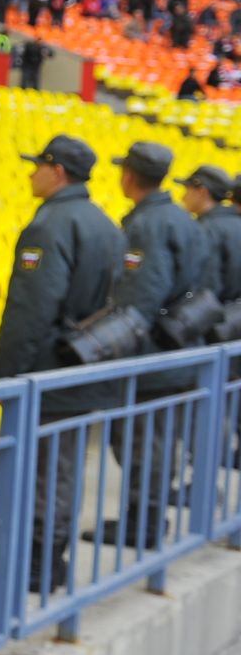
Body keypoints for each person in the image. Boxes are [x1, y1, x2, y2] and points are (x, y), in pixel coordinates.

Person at [0, 136, 122, 590]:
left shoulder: (50, 225)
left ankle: (34, 567)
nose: (31, 174)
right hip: (84, 363)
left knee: (40, 472)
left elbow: (31, 310)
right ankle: (50, 562)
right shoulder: (106, 223)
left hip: (48, 370)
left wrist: (7, 378)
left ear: (57, 171)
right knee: (62, 469)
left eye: (37, 166)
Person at [85, 141, 211, 551]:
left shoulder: (148, 225)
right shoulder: (183, 220)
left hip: (151, 357)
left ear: (129, 176)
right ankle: (147, 519)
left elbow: (142, 295)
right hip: (178, 349)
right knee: (156, 442)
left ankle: (143, 525)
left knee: (140, 444)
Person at [181, 166, 241, 302]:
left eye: (188, 190)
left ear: (202, 192)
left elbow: (206, 288)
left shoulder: (206, 229)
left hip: (213, 315)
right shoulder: (236, 224)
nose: (183, 197)